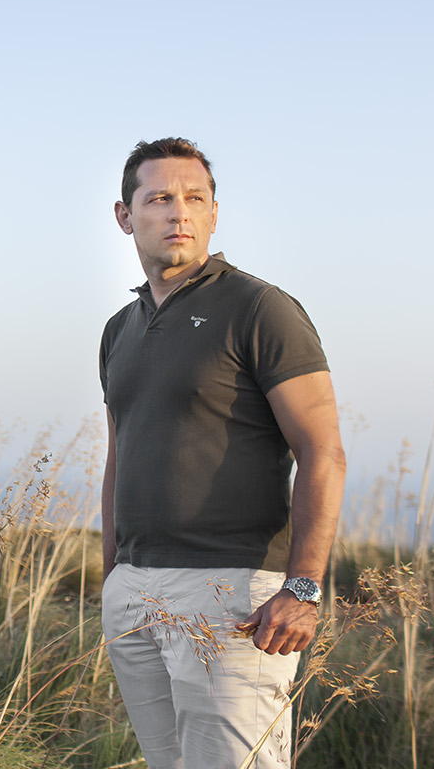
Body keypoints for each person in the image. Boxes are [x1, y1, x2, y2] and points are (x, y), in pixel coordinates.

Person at [98, 138, 346, 769]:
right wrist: (113, 579)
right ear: (125, 216)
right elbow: (119, 456)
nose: (178, 213)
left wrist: (303, 588)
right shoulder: (118, 331)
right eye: (158, 198)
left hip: (235, 593)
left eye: (194, 198)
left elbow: (322, 451)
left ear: (213, 213)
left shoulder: (260, 309)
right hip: (136, 592)